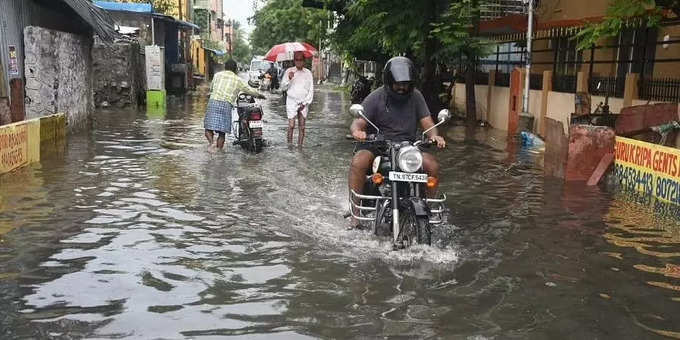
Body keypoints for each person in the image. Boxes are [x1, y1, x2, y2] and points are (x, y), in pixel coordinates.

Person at [348, 56, 446, 226]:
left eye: (406, 84)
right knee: (359, 161)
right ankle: (355, 214)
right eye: (398, 84)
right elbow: (358, 121)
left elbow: (428, 123)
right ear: (389, 81)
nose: (402, 87)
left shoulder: (416, 96)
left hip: (408, 147)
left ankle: (428, 209)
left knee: (432, 165)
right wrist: (358, 131)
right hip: (378, 144)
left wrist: (434, 136)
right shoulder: (376, 96)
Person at [204, 59, 264, 150]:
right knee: (222, 133)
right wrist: (259, 95)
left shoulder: (217, 75)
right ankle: (219, 151)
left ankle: (211, 143)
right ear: (236, 69)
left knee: (208, 128)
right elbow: (249, 90)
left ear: (225, 67)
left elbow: (211, 89)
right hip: (226, 105)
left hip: (213, 102)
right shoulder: (237, 79)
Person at [280, 51, 314, 146]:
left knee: (302, 127)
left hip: (304, 102)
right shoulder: (289, 71)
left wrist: (305, 103)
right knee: (291, 126)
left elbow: (311, 90)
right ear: (294, 61)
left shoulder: (308, 73)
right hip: (291, 101)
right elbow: (283, 88)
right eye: (297, 60)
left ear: (304, 61)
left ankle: (300, 147)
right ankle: (289, 146)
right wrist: (289, 79)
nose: (299, 62)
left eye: (301, 60)